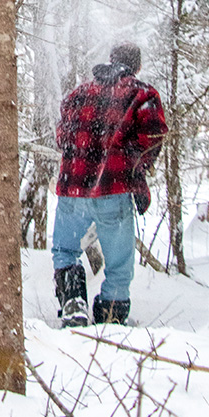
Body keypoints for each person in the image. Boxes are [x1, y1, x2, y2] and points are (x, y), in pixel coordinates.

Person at [51, 41, 167, 327]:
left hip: (73, 187)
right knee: (119, 263)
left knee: (65, 250)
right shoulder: (142, 94)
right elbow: (153, 135)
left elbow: (62, 138)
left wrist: (82, 153)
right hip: (113, 189)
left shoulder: (78, 94)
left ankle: (72, 301)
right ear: (136, 66)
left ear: (111, 60)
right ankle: (111, 315)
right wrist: (134, 164)